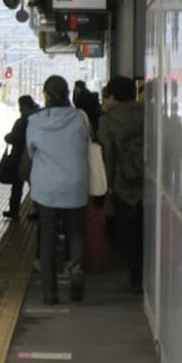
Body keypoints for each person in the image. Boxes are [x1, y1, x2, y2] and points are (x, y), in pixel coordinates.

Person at [27, 75, 91, 304]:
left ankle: (49, 293)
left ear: (45, 95)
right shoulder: (80, 117)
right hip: (75, 184)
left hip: (46, 188)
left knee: (48, 238)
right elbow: (87, 145)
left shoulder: (35, 122)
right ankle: (75, 269)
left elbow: (31, 152)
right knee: (76, 232)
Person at [98, 75, 146, 292]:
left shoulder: (108, 120)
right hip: (149, 182)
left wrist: (107, 186)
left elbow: (108, 155)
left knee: (128, 233)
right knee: (147, 230)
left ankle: (135, 277)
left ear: (113, 96)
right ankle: (148, 273)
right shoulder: (149, 114)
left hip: (123, 184)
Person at [2, 95, 39, 219]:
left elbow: (15, 138)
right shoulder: (39, 118)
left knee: (17, 184)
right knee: (34, 184)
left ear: (24, 106)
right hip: (35, 156)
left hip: (20, 156)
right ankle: (38, 210)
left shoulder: (22, 120)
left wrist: (7, 137)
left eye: (20, 106)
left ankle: (14, 210)